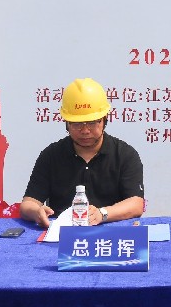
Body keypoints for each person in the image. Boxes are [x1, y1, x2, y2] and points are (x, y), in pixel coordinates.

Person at [20, 78, 145, 228]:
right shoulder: (51, 155)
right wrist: (36, 212)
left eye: (92, 122)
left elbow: (136, 204)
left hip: (111, 231)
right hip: (63, 233)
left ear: (105, 119)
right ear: (66, 123)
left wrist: (102, 214)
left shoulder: (125, 154)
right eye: (77, 123)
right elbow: (28, 203)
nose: (85, 130)